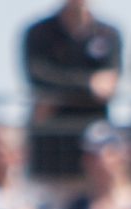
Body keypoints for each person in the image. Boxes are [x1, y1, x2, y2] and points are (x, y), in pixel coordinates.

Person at [20, 0, 123, 187]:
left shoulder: (108, 33)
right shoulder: (38, 32)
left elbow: (108, 86)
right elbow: (40, 79)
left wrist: (60, 92)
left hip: (94, 156)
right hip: (51, 153)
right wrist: (88, 84)